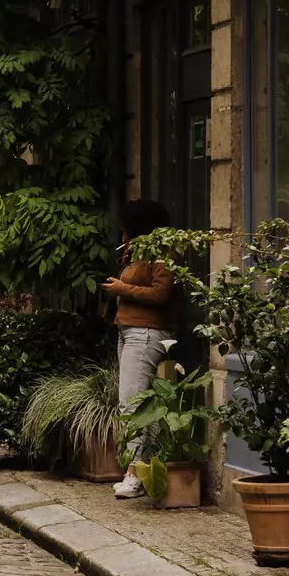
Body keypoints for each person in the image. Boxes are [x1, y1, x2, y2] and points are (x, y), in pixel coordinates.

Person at [100, 196, 175, 500]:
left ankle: (135, 474)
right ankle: (141, 470)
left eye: (126, 227)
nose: (122, 233)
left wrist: (121, 289)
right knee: (138, 405)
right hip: (130, 329)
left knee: (132, 404)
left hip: (146, 333)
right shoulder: (137, 253)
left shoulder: (162, 253)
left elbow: (161, 294)